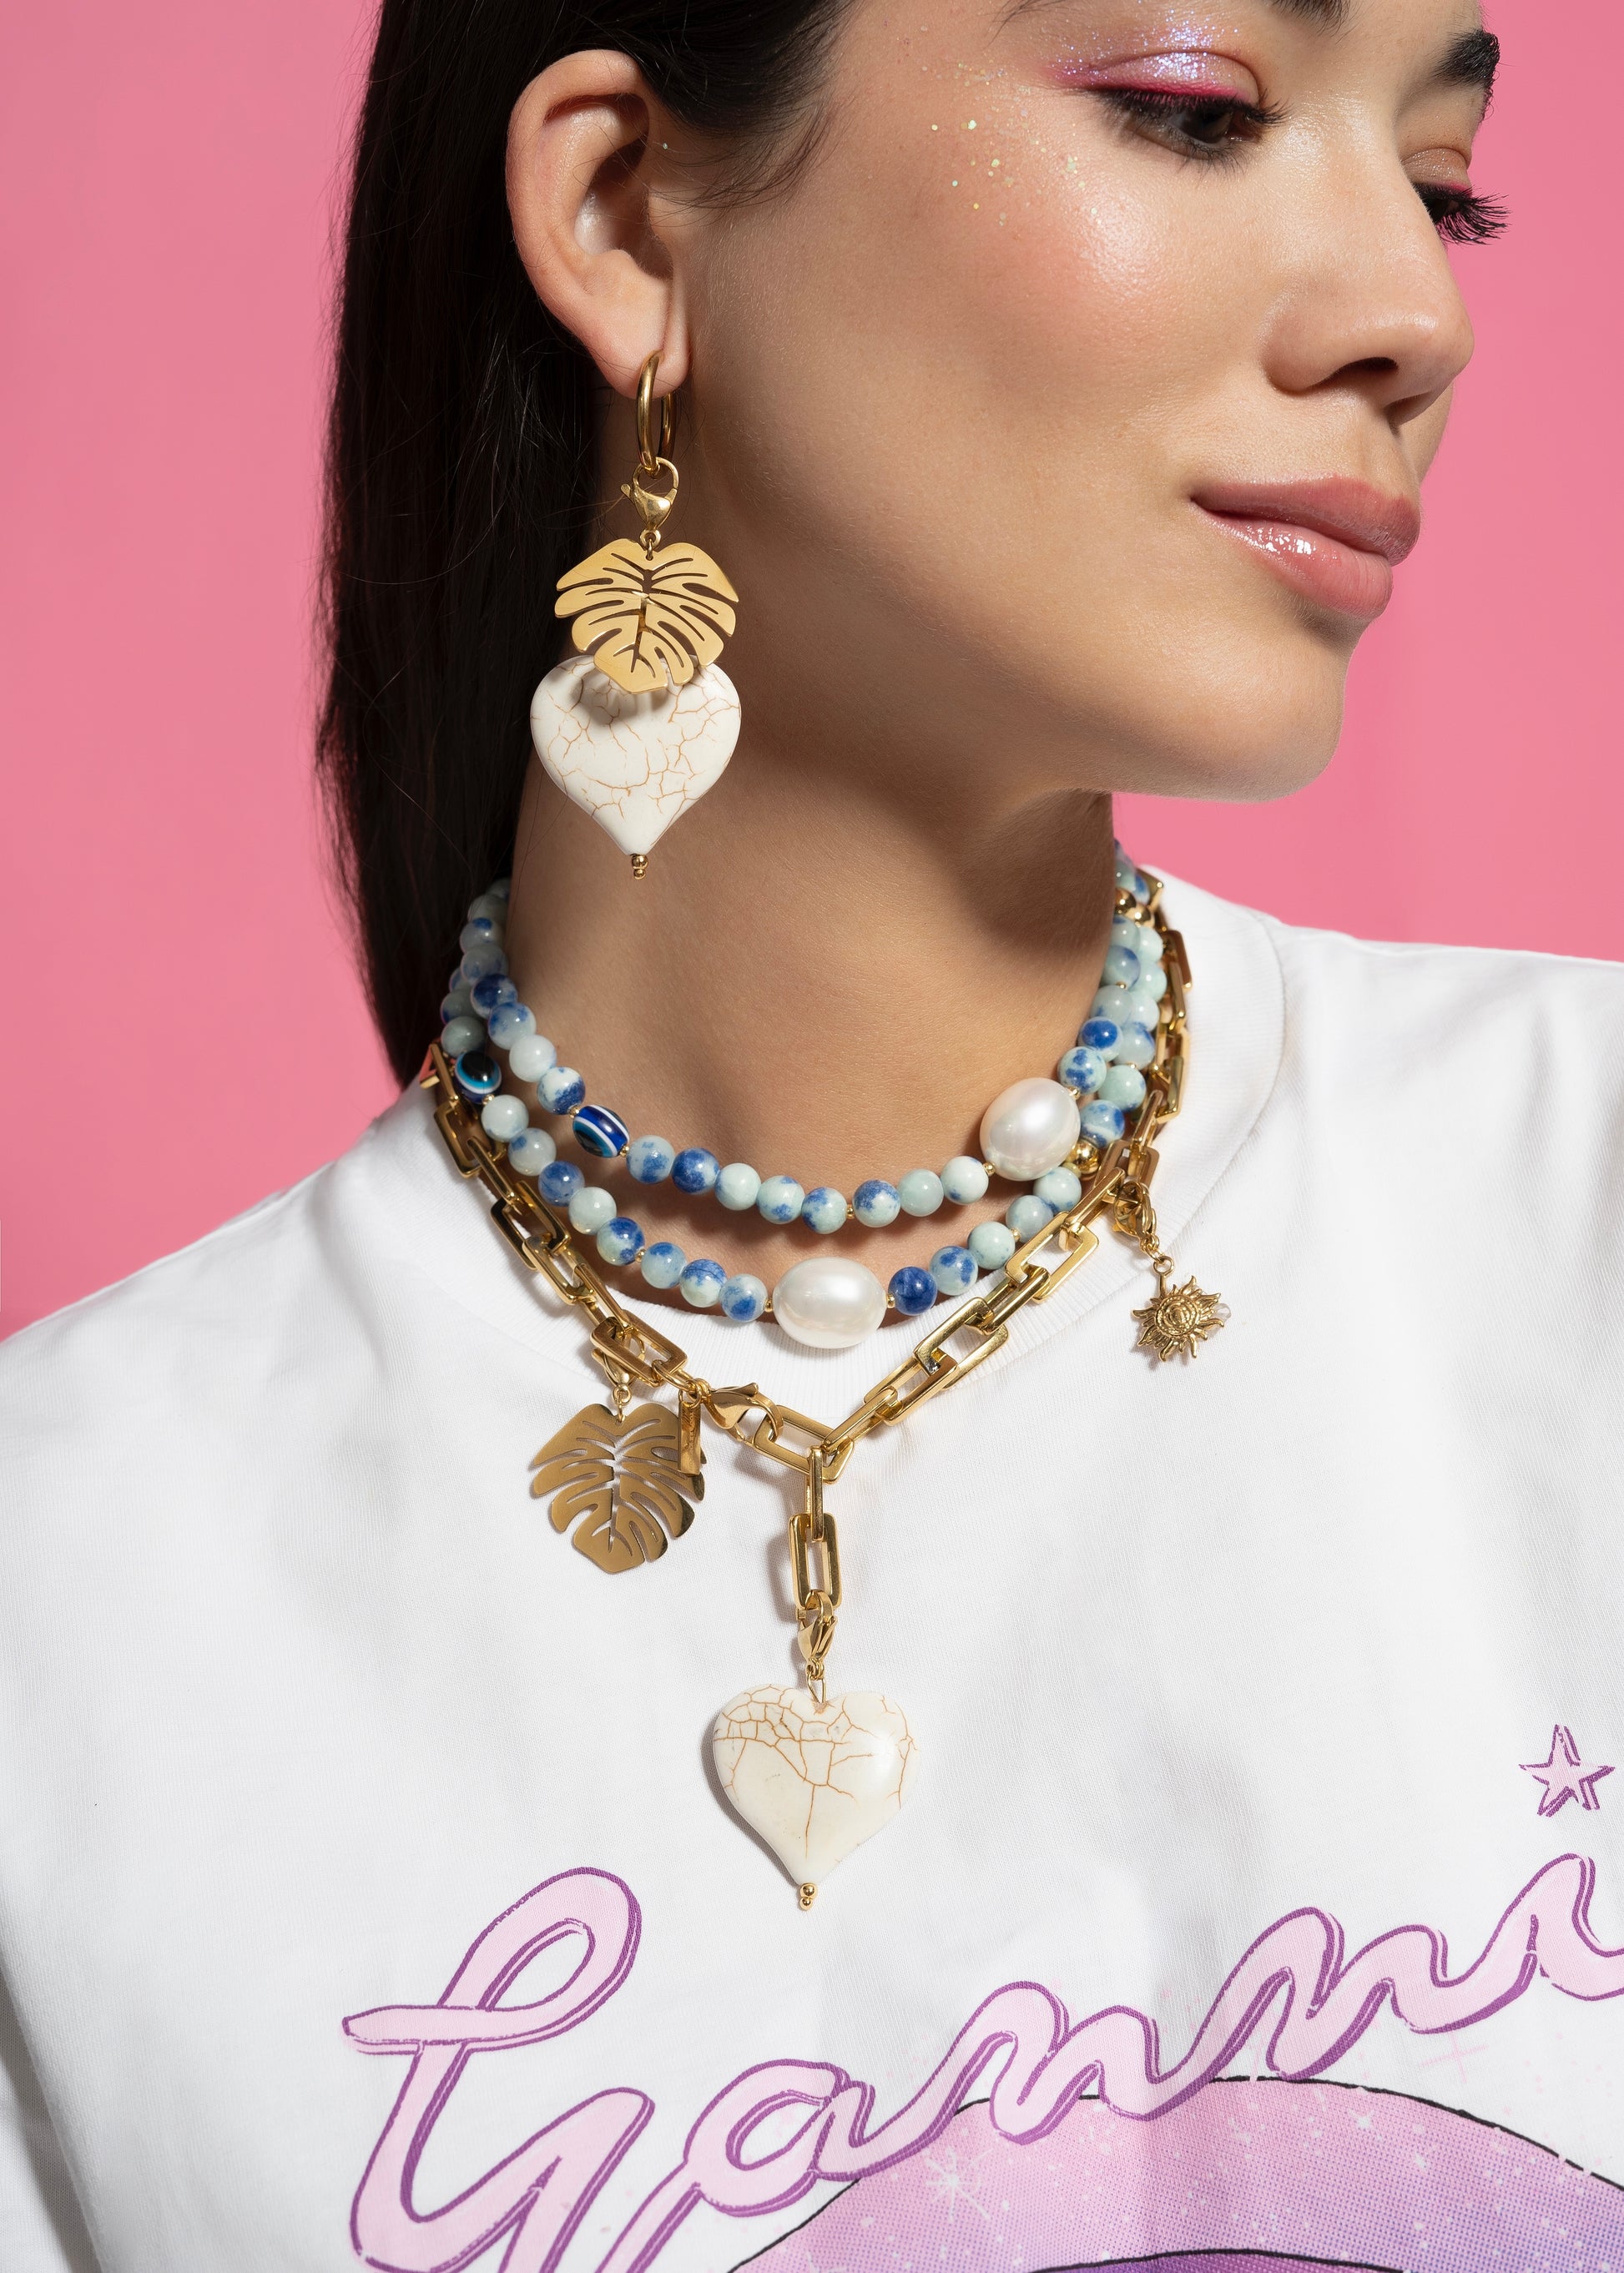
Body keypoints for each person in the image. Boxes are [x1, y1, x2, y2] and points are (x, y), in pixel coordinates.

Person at [3, 0, 1621, 2266]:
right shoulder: (71, 1595)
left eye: (1446, 186)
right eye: (1194, 112)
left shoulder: (1578, 1209)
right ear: (620, 210)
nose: (1414, 314)